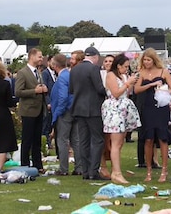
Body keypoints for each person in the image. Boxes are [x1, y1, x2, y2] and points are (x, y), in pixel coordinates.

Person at [133, 48, 171, 183]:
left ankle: (164, 169)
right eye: (144, 60)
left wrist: (163, 90)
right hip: (147, 108)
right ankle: (148, 170)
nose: (146, 62)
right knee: (148, 139)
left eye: (149, 60)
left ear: (154, 60)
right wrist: (151, 84)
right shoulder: (141, 73)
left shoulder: (164, 72)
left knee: (163, 138)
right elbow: (136, 90)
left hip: (161, 107)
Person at [101, 54, 141, 184]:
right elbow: (116, 93)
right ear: (118, 66)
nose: (126, 69)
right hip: (114, 110)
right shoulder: (111, 75)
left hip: (123, 110)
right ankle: (116, 173)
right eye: (125, 67)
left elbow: (126, 93)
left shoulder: (123, 76)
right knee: (115, 143)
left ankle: (116, 169)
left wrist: (129, 83)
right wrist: (128, 83)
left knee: (120, 142)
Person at [70, 45, 107, 180]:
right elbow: (99, 88)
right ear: (95, 57)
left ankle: (85, 171)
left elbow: (71, 90)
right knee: (97, 140)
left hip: (78, 108)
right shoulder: (94, 69)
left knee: (83, 141)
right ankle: (93, 171)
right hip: (92, 109)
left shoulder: (74, 70)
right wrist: (107, 91)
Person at [15, 47, 47, 172]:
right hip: (28, 111)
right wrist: (35, 91)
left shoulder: (38, 72)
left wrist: (43, 89)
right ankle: (25, 165)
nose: (41, 59)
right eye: (39, 56)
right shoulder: (23, 72)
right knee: (27, 139)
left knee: (37, 140)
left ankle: (38, 165)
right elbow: (18, 91)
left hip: (39, 109)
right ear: (32, 57)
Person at [50, 53, 79, 176]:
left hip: (65, 111)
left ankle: (63, 169)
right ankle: (79, 167)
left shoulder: (62, 77)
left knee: (62, 140)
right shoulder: (71, 74)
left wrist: (57, 113)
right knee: (76, 140)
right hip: (75, 110)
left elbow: (63, 97)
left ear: (55, 65)